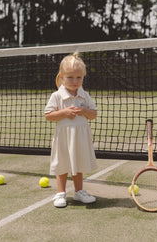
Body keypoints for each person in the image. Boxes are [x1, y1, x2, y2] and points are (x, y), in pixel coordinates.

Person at [45, 52, 97, 208]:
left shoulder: (84, 95)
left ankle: (78, 192)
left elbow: (93, 114)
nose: (75, 81)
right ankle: (61, 193)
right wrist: (64, 113)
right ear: (61, 77)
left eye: (79, 77)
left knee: (78, 164)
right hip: (63, 138)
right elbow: (48, 115)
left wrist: (83, 111)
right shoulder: (56, 96)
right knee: (62, 164)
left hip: (80, 137)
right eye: (70, 77)